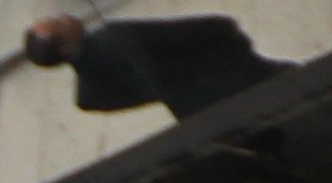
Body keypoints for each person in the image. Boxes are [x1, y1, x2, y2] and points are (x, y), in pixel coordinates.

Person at [19, 12, 286, 122]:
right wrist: (224, 25)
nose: (65, 17)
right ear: (64, 46)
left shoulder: (89, 97)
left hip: (200, 111)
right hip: (230, 72)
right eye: (58, 23)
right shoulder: (115, 36)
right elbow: (177, 34)